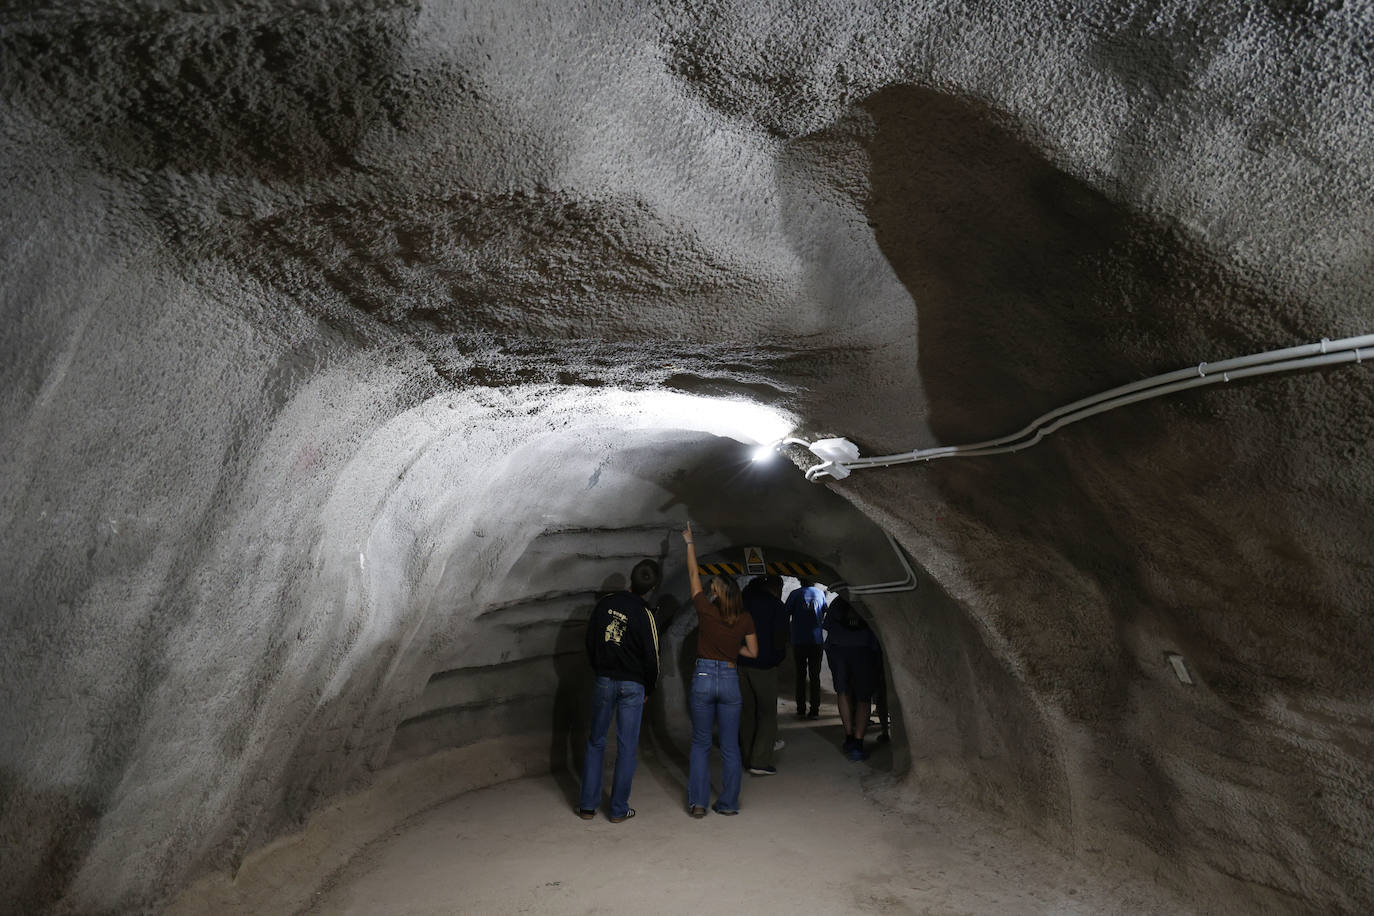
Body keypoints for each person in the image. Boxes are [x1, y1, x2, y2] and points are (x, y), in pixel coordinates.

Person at [576, 559, 662, 822]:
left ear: (630, 579)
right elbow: (653, 658)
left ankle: (588, 807)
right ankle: (617, 810)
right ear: (652, 587)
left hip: (604, 679)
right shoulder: (645, 614)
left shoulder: (605, 604)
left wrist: (600, 669)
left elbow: (590, 641)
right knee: (627, 747)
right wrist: (648, 687)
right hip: (633, 685)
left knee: (596, 741)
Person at [681, 525, 758, 817]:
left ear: (715, 592)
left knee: (701, 743)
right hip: (728, 678)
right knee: (729, 747)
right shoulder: (745, 618)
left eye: (712, 588)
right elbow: (753, 652)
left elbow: (692, 575)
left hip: (702, 677)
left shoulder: (706, 609)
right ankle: (728, 803)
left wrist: (690, 542)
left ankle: (699, 804)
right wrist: (731, 651)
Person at [822, 595, 882, 761]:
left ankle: (849, 736)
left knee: (843, 692)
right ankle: (858, 742)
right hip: (865, 650)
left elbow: (828, 626)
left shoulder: (838, 602)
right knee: (864, 698)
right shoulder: (869, 600)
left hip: (839, 649)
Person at [738, 575, 787, 776]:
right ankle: (759, 761)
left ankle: (747, 757)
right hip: (764, 666)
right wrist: (776, 658)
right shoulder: (775, 605)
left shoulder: (739, 603)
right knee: (767, 713)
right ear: (774, 588)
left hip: (739, 664)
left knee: (746, 712)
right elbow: (781, 636)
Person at [785, 578, 828, 718]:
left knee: (800, 675)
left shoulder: (795, 594)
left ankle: (801, 708)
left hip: (799, 640)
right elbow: (824, 612)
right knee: (815, 676)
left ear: (799, 580)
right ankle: (815, 709)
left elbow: (786, 613)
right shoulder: (820, 594)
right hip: (816, 640)